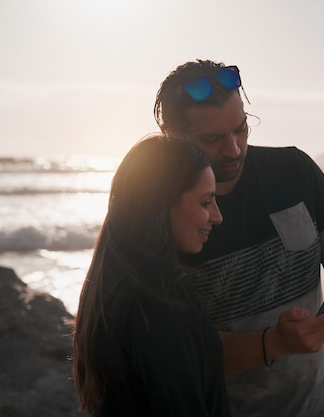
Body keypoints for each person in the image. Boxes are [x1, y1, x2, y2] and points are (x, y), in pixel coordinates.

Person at [154, 60, 324, 417]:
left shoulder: (293, 170)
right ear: (171, 136)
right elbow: (183, 349)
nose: (234, 149)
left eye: (241, 129)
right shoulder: (163, 213)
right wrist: (274, 343)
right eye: (212, 139)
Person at [72, 133, 228, 416]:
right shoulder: (162, 294)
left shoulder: (113, 284)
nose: (217, 216)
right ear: (162, 202)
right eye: (205, 203)